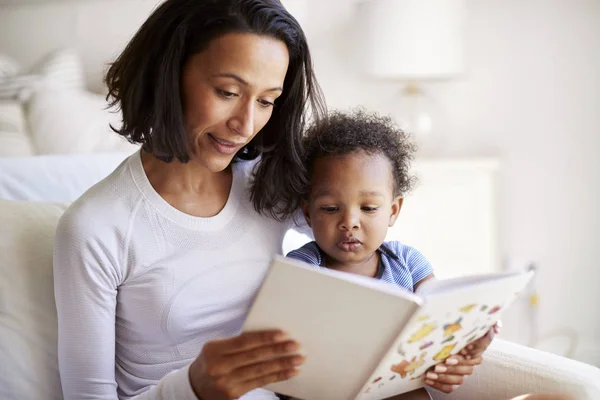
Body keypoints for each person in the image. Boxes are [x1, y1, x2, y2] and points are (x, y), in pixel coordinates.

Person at [53, 0, 326, 399]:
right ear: (170, 74)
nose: (245, 124)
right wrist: (194, 387)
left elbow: (363, 242)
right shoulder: (96, 227)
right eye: (227, 91)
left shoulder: (267, 183)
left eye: (267, 101)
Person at [286, 109, 575, 400]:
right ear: (308, 212)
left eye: (369, 208)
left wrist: (471, 339)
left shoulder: (407, 263)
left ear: (393, 210)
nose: (350, 222)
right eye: (330, 208)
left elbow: (439, 316)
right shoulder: (303, 267)